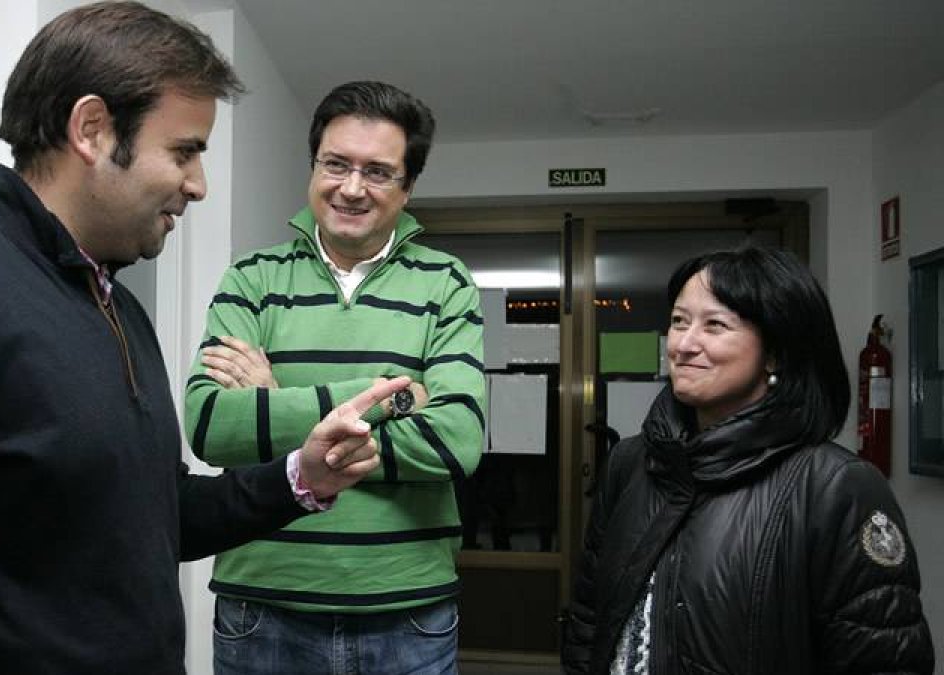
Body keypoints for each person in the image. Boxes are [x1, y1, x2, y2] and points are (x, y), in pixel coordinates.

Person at [0, 4, 409, 674]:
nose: (198, 185)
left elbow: (153, 513)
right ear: (92, 129)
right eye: (183, 152)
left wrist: (302, 475)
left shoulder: (113, 303)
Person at [183, 81, 486, 674]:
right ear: (313, 165)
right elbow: (212, 427)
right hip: (263, 607)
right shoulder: (251, 278)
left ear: (408, 186)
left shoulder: (446, 282)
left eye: (377, 172)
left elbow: (456, 443)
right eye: (336, 164)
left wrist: (275, 410)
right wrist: (391, 399)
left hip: (408, 612)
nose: (351, 188)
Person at [562, 246, 934, 674]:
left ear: (774, 352)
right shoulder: (631, 463)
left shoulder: (836, 487)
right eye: (679, 321)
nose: (683, 344)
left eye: (715, 325)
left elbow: (884, 662)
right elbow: (590, 620)